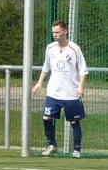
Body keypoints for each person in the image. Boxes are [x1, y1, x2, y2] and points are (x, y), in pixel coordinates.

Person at [32, 20, 88, 158]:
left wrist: (81, 86)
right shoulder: (50, 48)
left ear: (65, 31)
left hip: (71, 93)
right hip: (53, 92)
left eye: (57, 32)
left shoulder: (75, 49)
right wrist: (39, 83)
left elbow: (83, 70)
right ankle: (52, 144)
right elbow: (46, 67)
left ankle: (76, 150)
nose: (55, 35)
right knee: (46, 117)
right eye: (53, 33)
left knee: (74, 121)